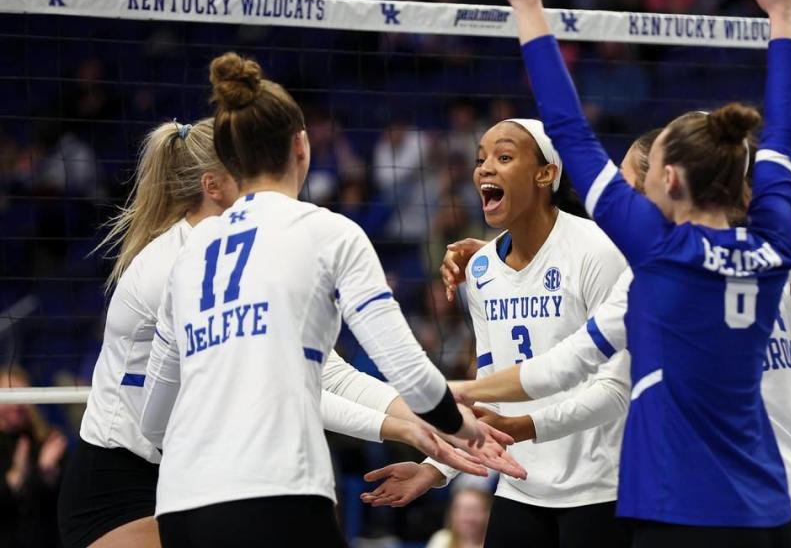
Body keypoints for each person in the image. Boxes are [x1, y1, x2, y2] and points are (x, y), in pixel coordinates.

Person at [59, 119, 512, 548]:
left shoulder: (246, 253)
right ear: (214, 186)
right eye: (249, 168)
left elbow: (327, 372)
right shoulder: (179, 268)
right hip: (122, 475)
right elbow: (280, 389)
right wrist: (408, 426)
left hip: (191, 467)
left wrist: (426, 419)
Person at [498, 0, 791, 544]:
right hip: (766, 511)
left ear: (667, 180)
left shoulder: (661, 250)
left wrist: (528, 4)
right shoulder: (773, 248)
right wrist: (784, 19)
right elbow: (786, 134)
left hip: (678, 509)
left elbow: (569, 133)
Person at [139, 53, 489, 548]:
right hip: (276, 492)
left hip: (180, 504)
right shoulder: (330, 233)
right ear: (301, 147)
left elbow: (153, 416)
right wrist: (460, 428)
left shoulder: (190, 251)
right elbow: (408, 371)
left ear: (231, 160)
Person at [364, 117, 631, 548]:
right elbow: (487, 393)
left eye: (504, 157)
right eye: (480, 159)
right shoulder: (483, 269)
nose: (484, 168)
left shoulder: (597, 251)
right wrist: (435, 469)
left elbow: (615, 393)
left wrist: (522, 426)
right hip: (518, 488)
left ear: (546, 174)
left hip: (600, 492)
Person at [0, 366, 68, 548]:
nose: (17, 404)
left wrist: (47, 473)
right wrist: (13, 479)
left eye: (22, 396)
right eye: (10, 395)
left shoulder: (49, 441)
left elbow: (63, 507)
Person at [425, 487, 492, 548]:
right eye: (458, 509)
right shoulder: (442, 539)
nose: (465, 517)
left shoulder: (498, 542)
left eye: (473, 510)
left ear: (489, 513)